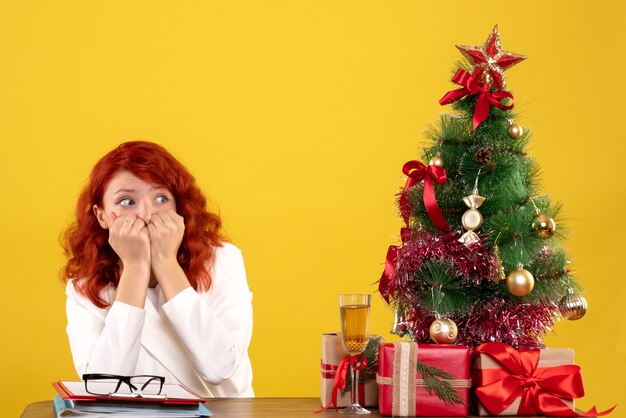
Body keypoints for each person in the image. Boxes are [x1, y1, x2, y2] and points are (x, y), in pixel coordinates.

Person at [60, 141, 253, 398]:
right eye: (127, 201)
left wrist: (165, 262)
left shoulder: (222, 260)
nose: (147, 214)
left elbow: (220, 368)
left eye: (161, 199)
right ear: (102, 216)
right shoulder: (84, 288)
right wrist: (135, 268)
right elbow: (104, 388)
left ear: (178, 207)